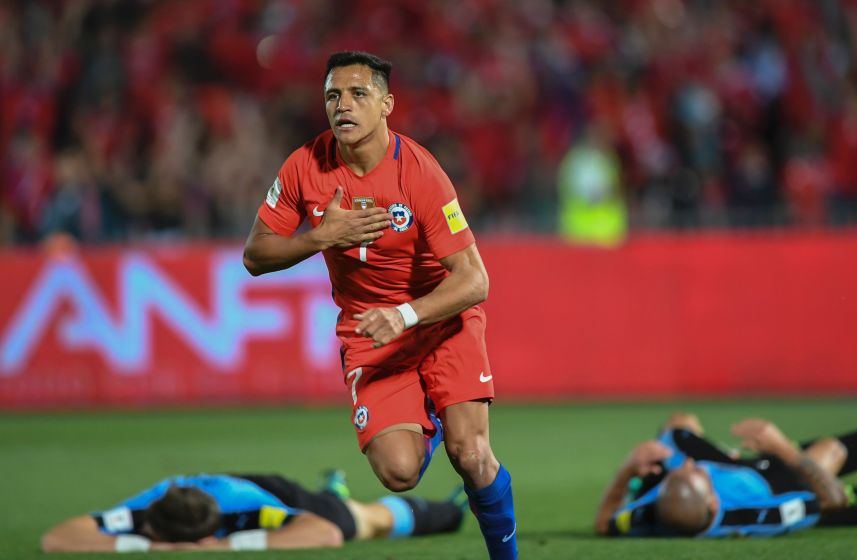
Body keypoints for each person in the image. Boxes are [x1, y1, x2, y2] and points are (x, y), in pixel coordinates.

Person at [242, 51, 516, 559]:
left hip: (440, 319)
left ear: (387, 104)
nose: (342, 106)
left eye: (357, 94)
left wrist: (407, 314)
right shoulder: (305, 166)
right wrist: (320, 237)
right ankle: (431, 408)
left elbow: (475, 280)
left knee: (472, 455)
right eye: (332, 96)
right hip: (368, 330)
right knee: (399, 472)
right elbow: (255, 255)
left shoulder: (419, 173)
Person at [594, 413, 857, 538]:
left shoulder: (655, 511)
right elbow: (829, 499)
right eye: (694, 471)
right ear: (714, 501)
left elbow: (603, 523)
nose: (691, 466)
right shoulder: (765, 512)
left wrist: (629, 468)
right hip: (807, 488)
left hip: (755, 469)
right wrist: (783, 447)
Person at [41, 471, 465, 553]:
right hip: (218, 488)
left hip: (270, 492)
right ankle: (332, 485)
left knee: (362, 522)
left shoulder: (245, 513)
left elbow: (322, 535)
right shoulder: (147, 510)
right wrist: (145, 548)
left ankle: (452, 509)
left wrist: (222, 549)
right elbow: (57, 538)